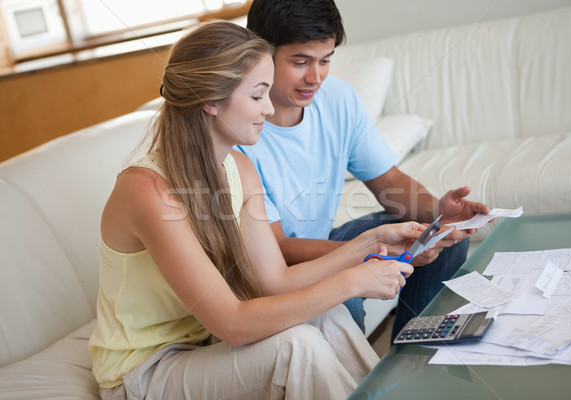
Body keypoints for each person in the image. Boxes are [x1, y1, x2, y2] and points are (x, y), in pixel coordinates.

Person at [89, 20, 430, 400]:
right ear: (211, 101)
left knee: (328, 314)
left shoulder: (240, 169)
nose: (269, 109)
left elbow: (275, 282)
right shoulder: (149, 191)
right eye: (257, 95)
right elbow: (233, 323)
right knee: (295, 346)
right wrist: (354, 281)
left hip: (204, 344)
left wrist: (369, 242)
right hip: (142, 371)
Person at [237, 0, 490, 341]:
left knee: (441, 236)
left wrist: (439, 213)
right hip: (273, 269)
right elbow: (277, 248)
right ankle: (361, 387)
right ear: (260, 54)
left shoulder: (338, 98)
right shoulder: (240, 128)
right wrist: (371, 254)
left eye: (325, 61)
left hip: (322, 245)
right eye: (301, 62)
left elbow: (388, 181)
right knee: (344, 301)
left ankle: (412, 360)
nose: (315, 77)